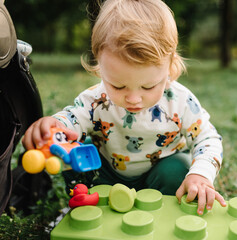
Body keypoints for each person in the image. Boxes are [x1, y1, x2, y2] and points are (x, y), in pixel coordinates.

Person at [22, 0, 226, 215]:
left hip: (158, 176)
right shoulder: (96, 99)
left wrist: (201, 174)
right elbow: (72, 121)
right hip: (107, 175)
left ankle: (164, 212)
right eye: (118, 85)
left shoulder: (181, 101)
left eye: (148, 86)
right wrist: (55, 127)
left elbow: (208, 138)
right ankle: (83, 203)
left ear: (170, 67)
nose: (134, 99)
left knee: (178, 168)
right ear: (100, 66)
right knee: (78, 152)